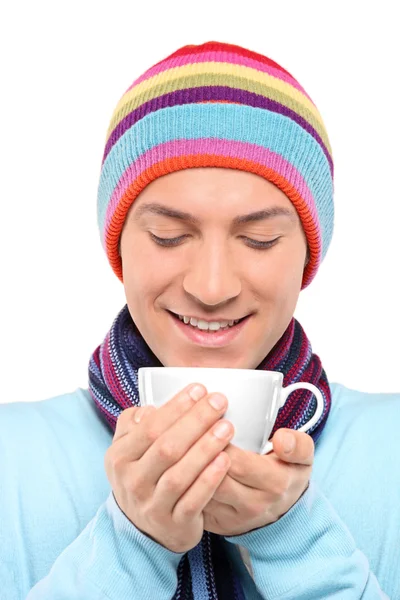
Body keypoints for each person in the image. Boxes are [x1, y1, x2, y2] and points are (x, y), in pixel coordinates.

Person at [0, 40, 398, 600]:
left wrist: (293, 538)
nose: (212, 287)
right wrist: (132, 545)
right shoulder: (10, 457)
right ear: (118, 247)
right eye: (169, 235)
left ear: (309, 254)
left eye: (259, 240)